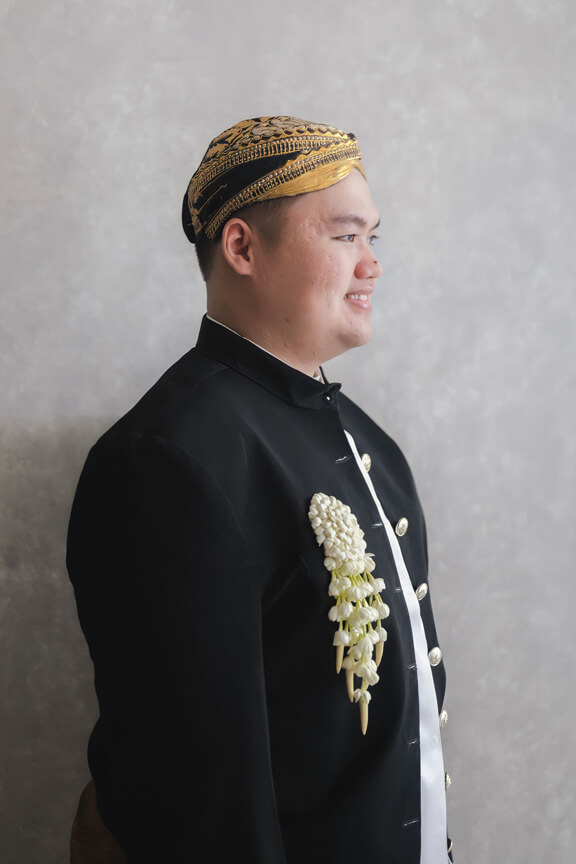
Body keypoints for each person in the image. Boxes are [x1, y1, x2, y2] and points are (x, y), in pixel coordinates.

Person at [67, 115, 453, 864]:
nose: (372, 264)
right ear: (242, 248)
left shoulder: (369, 443)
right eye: (346, 235)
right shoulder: (167, 460)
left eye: (374, 238)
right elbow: (196, 799)